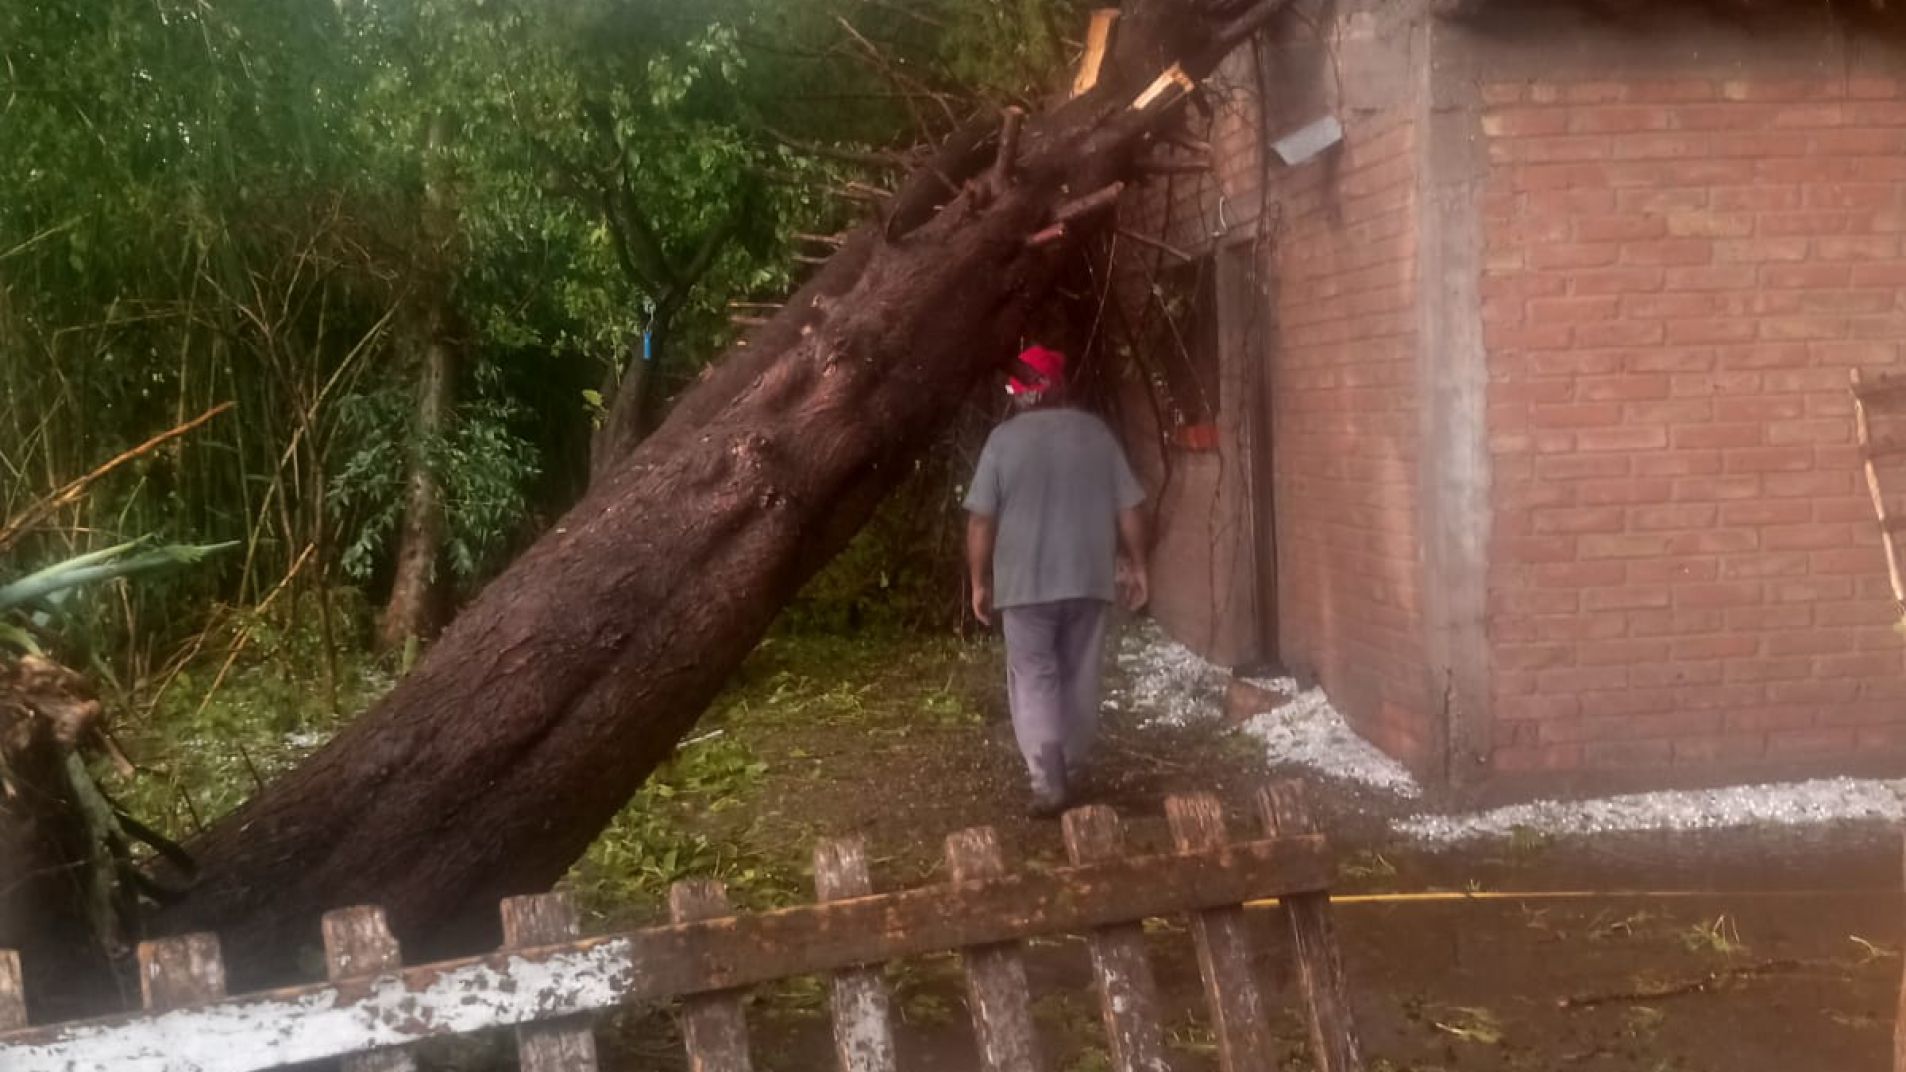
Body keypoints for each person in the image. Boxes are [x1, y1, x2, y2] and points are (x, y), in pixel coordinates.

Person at [963, 344, 1149, 818]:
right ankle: (1070, 762)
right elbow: (1128, 507)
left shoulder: (1002, 441)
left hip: (1024, 586)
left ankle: (1049, 779)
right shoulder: (1096, 435)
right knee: (1079, 673)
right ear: (1059, 386)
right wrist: (1138, 564)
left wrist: (978, 581)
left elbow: (981, 520)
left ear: (1024, 393)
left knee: (1033, 678)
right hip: (1087, 580)